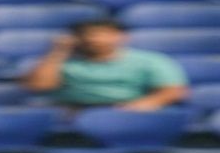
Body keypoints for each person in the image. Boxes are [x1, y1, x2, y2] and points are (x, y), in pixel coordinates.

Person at [22, 19, 189, 110]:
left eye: (102, 35)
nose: (93, 39)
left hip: (127, 109)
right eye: (87, 35)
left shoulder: (151, 60)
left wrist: (142, 105)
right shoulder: (59, 60)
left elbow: (173, 92)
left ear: (122, 37)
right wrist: (58, 51)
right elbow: (40, 86)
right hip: (74, 110)